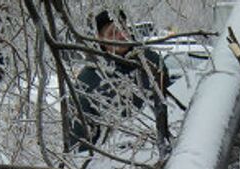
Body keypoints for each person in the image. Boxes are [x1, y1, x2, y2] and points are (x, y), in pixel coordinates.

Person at [67, 10, 169, 155]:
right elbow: (79, 138)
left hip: (158, 150)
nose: (121, 36)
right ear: (100, 39)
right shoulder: (88, 79)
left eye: (123, 29)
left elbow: (170, 105)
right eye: (113, 33)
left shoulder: (151, 62)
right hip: (113, 161)